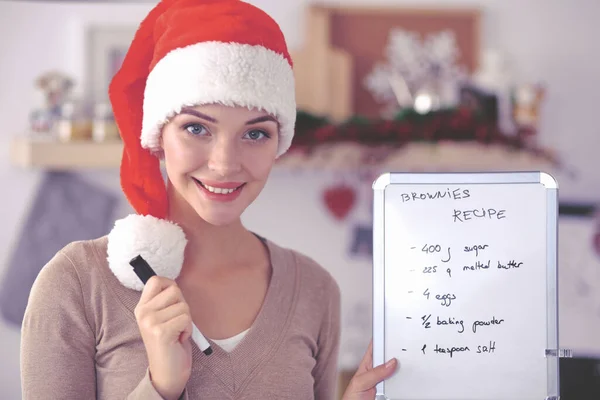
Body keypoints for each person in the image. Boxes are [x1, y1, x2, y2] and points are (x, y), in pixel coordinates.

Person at [20, 0, 397, 399]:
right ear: (157, 135)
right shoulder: (75, 283)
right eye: (197, 128)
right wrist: (161, 386)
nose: (224, 164)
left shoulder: (316, 290)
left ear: (278, 145)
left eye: (255, 134)